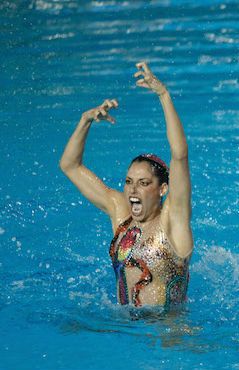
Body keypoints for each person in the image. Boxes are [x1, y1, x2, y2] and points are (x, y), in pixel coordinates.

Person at [60, 62, 193, 308]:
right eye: (129, 182)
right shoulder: (121, 214)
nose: (133, 189)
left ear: (163, 189)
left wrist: (163, 95)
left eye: (144, 183)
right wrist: (85, 120)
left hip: (169, 336)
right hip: (126, 329)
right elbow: (70, 166)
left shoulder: (174, 221)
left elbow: (180, 156)